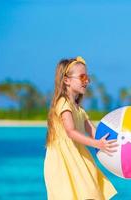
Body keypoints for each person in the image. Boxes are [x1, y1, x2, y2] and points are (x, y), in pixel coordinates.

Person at [44, 56, 118, 200]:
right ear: (67, 80)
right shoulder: (63, 104)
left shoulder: (79, 109)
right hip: (63, 161)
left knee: (91, 191)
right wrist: (97, 144)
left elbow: (95, 133)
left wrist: (115, 144)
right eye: (82, 77)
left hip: (79, 157)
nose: (86, 81)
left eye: (87, 78)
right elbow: (70, 132)